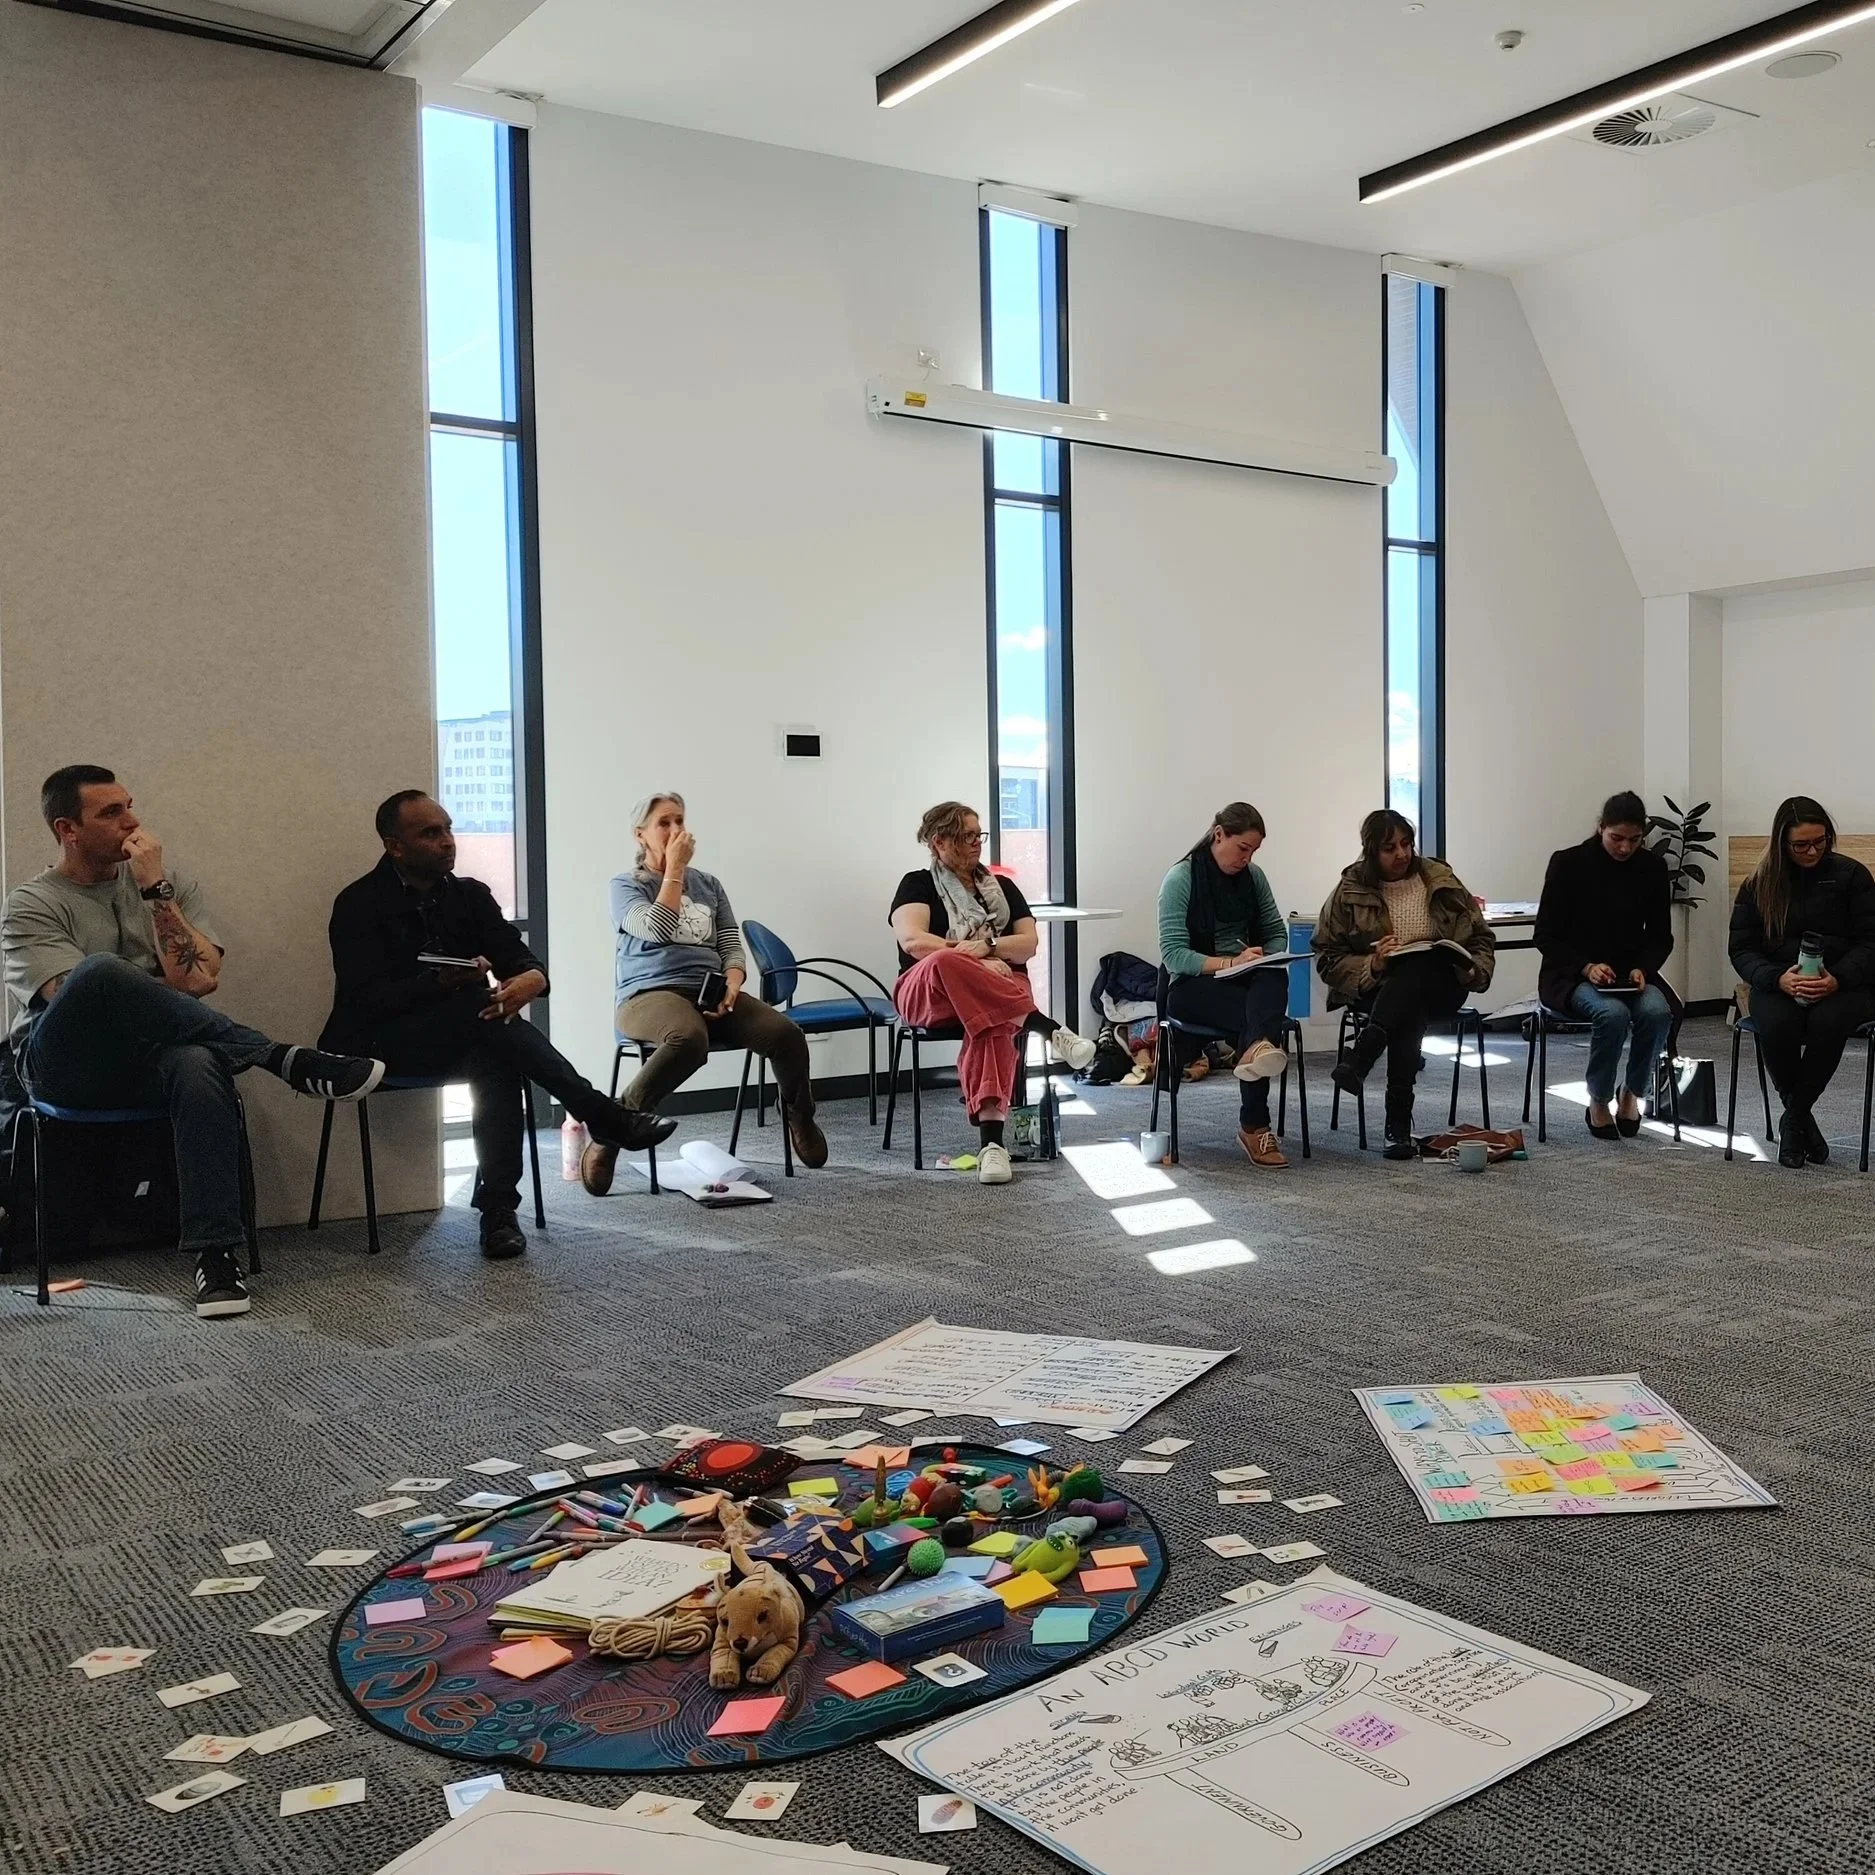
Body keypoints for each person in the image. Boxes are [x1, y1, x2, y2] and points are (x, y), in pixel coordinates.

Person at [0, 766, 387, 1318]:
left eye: (129, 805)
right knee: (100, 973)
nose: (132, 821)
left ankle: (216, 1256)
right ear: (68, 829)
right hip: (64, 1067)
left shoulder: (167, 885)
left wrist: (154, 891)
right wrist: (148, 983)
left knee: (198, 1061)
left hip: (153, 1059)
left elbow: (199, 981)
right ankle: (278, 1057)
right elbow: (77, 998)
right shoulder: (31, 904)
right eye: (111, 812)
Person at [322, 791, 675, 1259]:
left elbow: (516, 956)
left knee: (497, 1055)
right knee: (484, 1019)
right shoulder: (358, 904)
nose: (448, 841)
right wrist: (439, 983)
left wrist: (532, 977)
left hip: (461, 1035)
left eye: (448, 829)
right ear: (395, 847)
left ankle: (499, 1211)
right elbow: (366, 999)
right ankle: (602, 1117)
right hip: (380, 1043)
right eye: (430, 833)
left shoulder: (469, 896)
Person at [591, 792, 826, 1192]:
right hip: (647, 995)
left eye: (679, 820)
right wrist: (675, 869)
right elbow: (657, 929)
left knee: (786, 1034)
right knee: (688, 1038)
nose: (675, 829)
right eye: (663, 823)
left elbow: (730, 943)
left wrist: (732, 983)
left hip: (710, 990)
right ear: (640, 835)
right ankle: (615, 1126)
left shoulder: (709, 884)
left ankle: (798, 1115)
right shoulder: (625, 885)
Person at [889, 802, 1095, 1185]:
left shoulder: (1003, 888)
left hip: (999, 989)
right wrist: (978, 963)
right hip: (929, 991)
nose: (977, 843)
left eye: (978, 835)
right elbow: (914, 942)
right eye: (966, 836)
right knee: (945, 962)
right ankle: (1047, 1028)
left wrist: (988, 946)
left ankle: (992, 1148)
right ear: (939, 842)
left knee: (992, 1021)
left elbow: (1028, 944)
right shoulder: (917, 884)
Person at [1315, 809, 1496, 1160]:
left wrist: (1473, 970)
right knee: (1408, 1003)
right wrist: (1373, 963)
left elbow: (1481, 938)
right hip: (1377, 988)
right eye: (1389, 848)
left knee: (1420, 966)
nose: (1401, 853)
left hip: (1445, 984)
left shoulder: (1441, 879)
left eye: (1406, 844)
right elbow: (1327, 956)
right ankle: (1397, 1124)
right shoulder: (1350, 890)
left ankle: (1365, 1054)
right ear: (1371, 851)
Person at [1728, 794, 1875, 1169]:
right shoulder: (1759, 884)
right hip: (1778, 982)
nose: (1812, 851)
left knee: (1828, 1021)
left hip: (1844, 983)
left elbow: (1871, 943)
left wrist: (1838, 978)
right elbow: (1742, 949)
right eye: (1801, 845)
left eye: (1820, 841)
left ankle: (1793, 1121)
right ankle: (1800, 1120)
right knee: (1778, 1024)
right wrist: (1777, 978)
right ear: (1782, 843)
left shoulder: (1853, 876)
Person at [1156, 803, 1296, 1170]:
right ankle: (1255, 1125)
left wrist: (1263, 956)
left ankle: (1256, 1052)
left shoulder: (1254, 878)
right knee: (1258, 1019)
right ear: (1219, 835)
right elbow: (1174, 955)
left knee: (1273, 975)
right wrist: (1230, 963)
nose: (1247, 859)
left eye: (1253, 851)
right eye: (1242, 848)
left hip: (1243, 981)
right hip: (1192, 986)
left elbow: (1275, 931)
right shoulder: (1181, 878)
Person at [1535, 791, 1677, 1141]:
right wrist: (1586, 967)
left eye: (1634, 840)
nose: (1625, 848)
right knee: (1612, 1014)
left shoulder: (1652, 868)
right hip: (1570, 974)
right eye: (1616, 838)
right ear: (1600, 828)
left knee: (1658, 1012)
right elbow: (1546, 936)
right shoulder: (1568, 863)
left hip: (1629, 973)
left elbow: (1661, 937)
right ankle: (1598, 1100)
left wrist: (1644, 967)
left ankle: (1631, 1093)